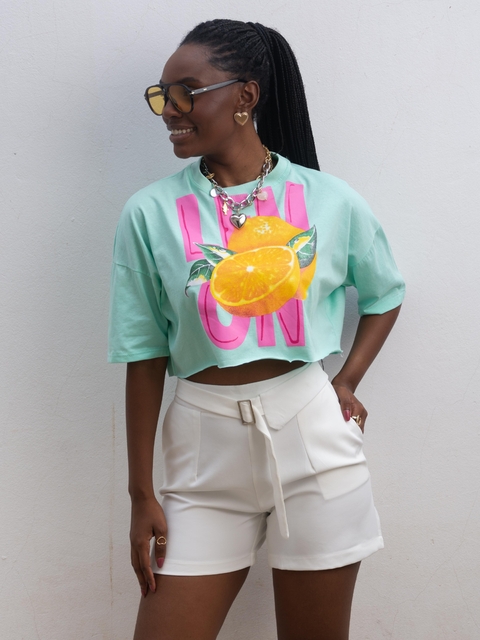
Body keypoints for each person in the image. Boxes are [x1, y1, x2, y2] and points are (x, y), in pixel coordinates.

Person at [108, 18, 405, 640]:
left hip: (313, 441)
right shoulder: (149, 213)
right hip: (201, 455)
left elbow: (385, 294)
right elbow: (144, 352)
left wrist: (347, 380)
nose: (169, 111)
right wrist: (141, 494)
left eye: (185, 93)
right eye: (161, 96)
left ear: (245, 96)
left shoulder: (329, 199)